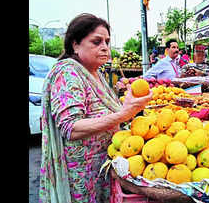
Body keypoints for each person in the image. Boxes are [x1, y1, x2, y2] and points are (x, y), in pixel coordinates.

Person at [38, 13, 153, 203]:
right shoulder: (68, 72)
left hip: (100, 168)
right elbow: (71, 128)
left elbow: (107, 112)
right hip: (81, 176)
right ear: (75, 44)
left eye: (107, 41)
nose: (105, 47)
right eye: (96, 41)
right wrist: (124, 114)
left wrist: (129, 106)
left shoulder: (95, 73)